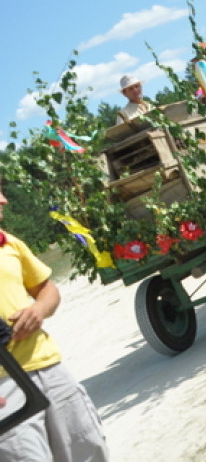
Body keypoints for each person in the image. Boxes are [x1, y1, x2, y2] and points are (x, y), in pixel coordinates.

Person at [0, 176, 111, 461]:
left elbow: (47, 290)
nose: (4, 201)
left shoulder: (9, 243)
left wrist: (38, 310)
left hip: (48, 366)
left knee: (89, 447)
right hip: (3, 388)